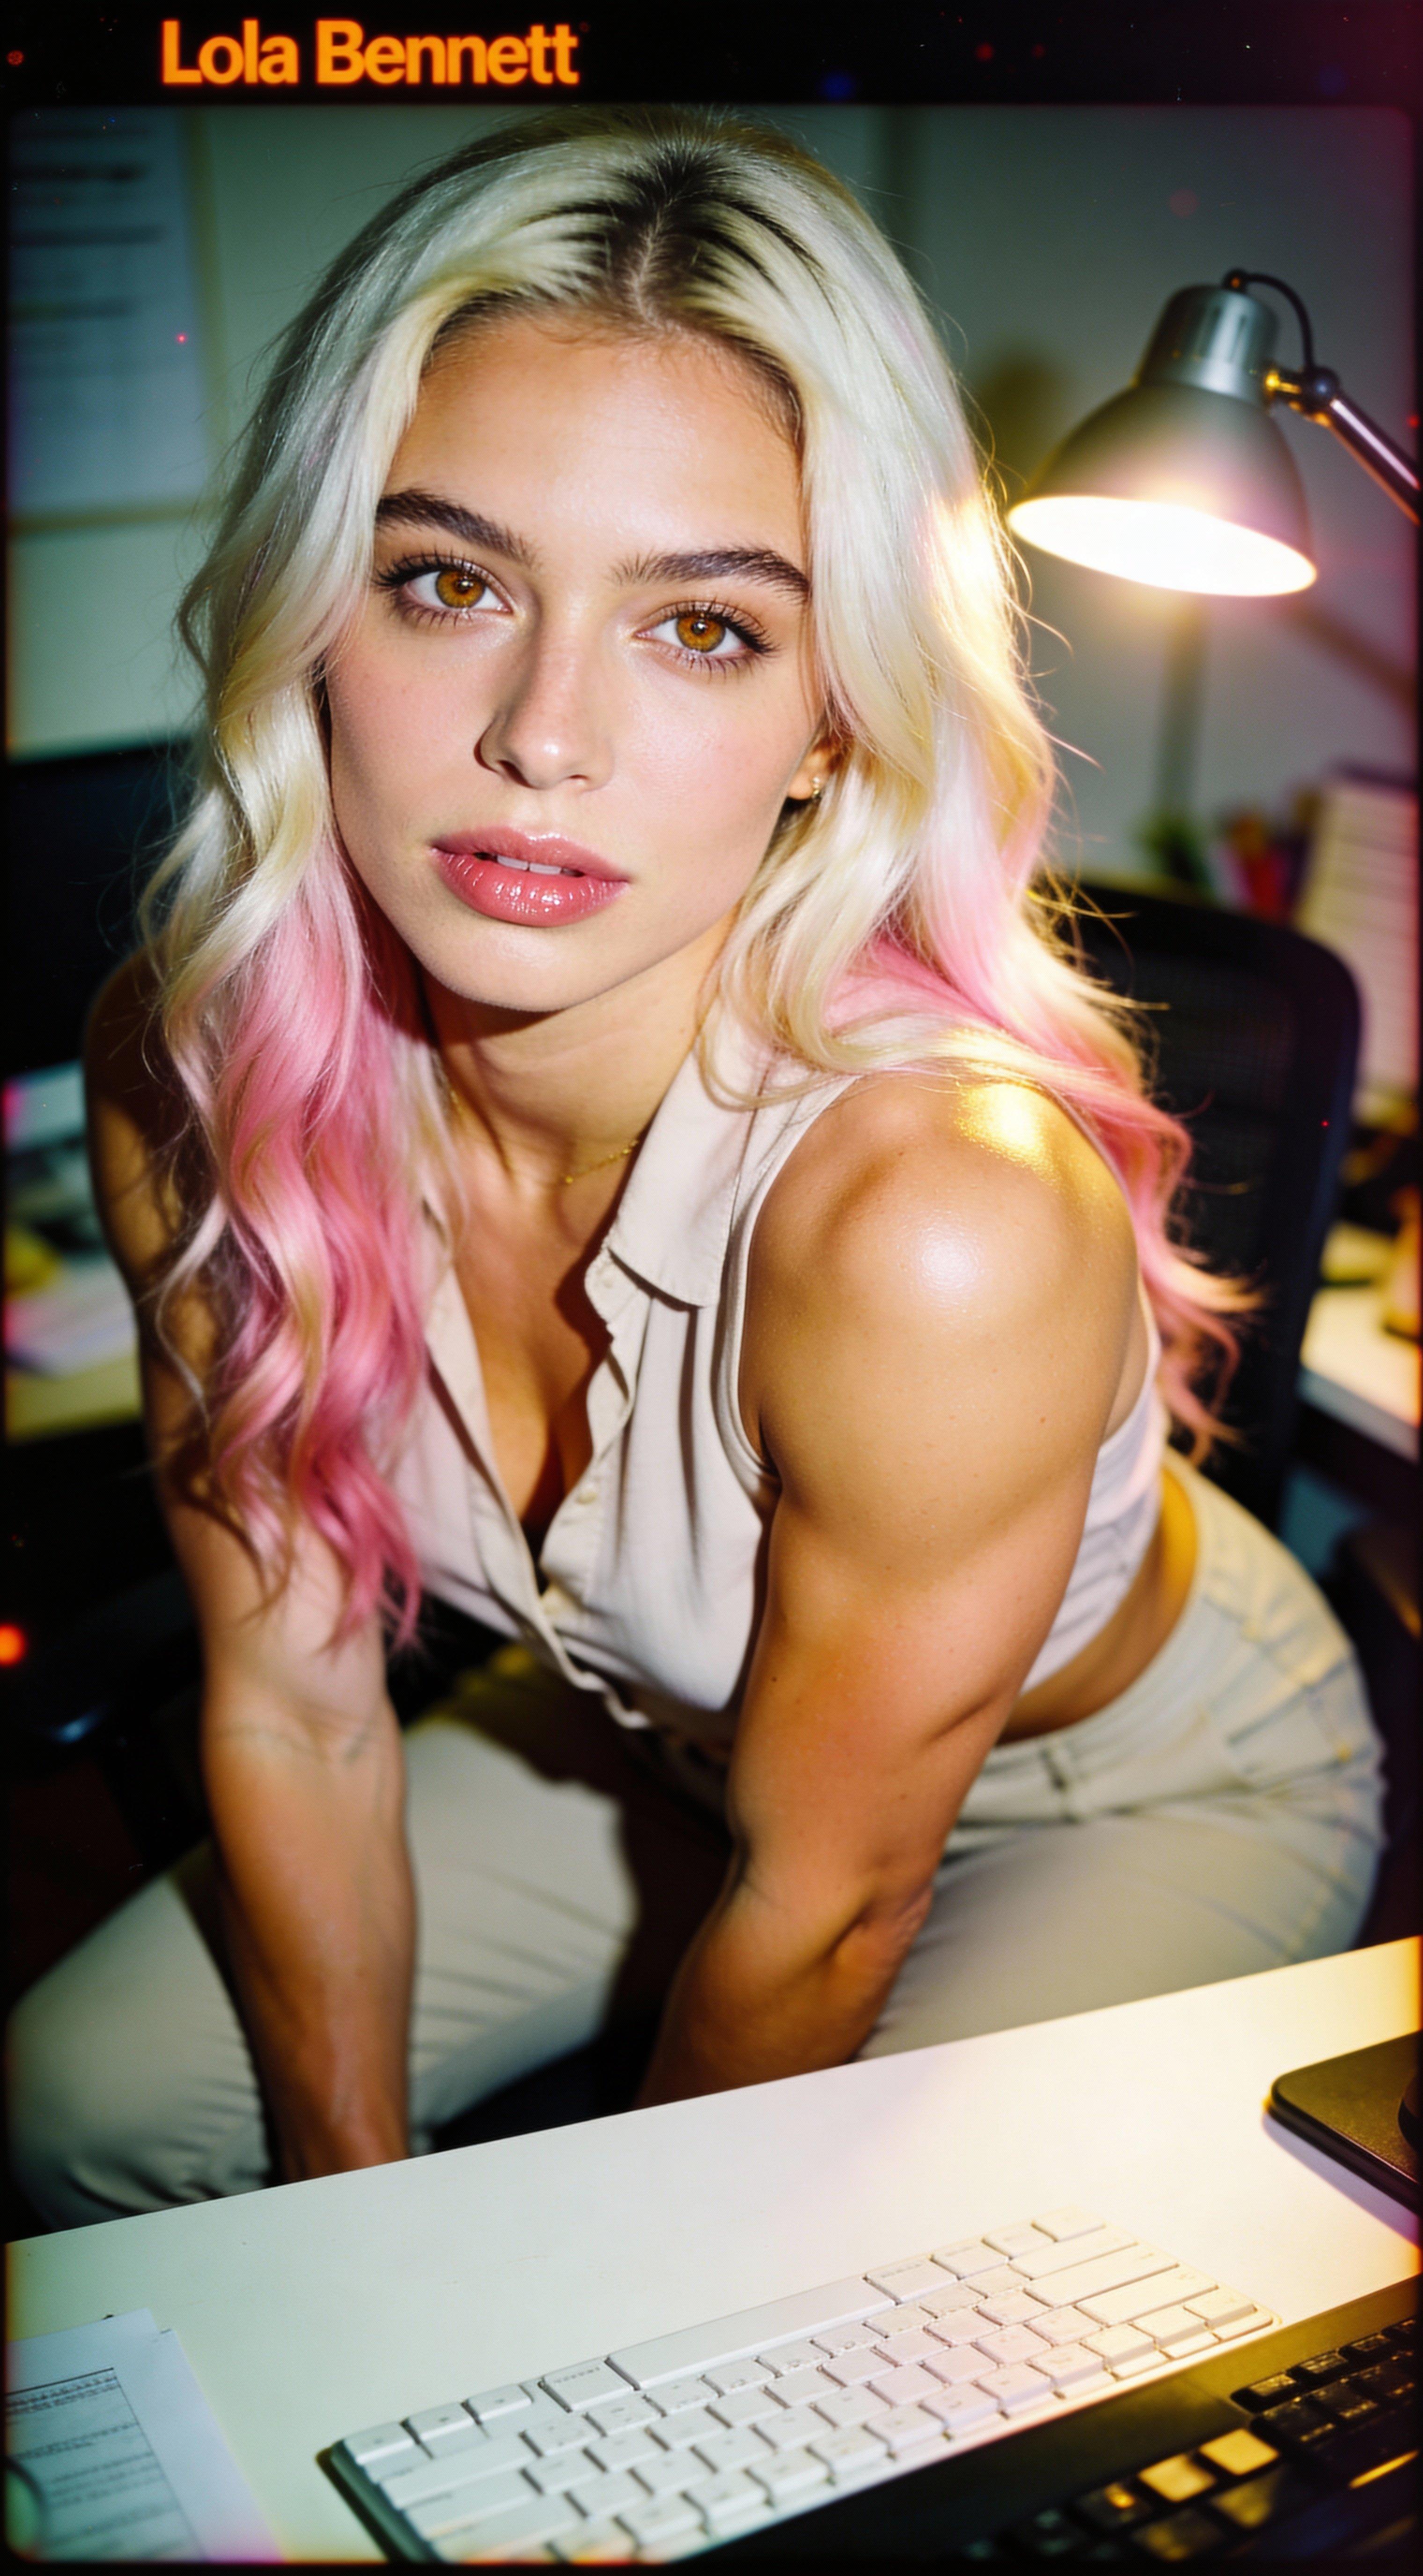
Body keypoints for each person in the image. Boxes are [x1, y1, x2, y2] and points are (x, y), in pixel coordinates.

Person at [11, 110, 1382, 2230]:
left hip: (1121, 1786)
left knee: (836, 2317)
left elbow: (821, 1899)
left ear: (836, 712)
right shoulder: (186, 1077)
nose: (543, 733)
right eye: (447, 580)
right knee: (79, 2104)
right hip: (632, 1736)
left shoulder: (935, 1214)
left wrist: (555, 2333)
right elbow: (290, 1712)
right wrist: (354, 2226)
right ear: (311, 607)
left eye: (705, 627)